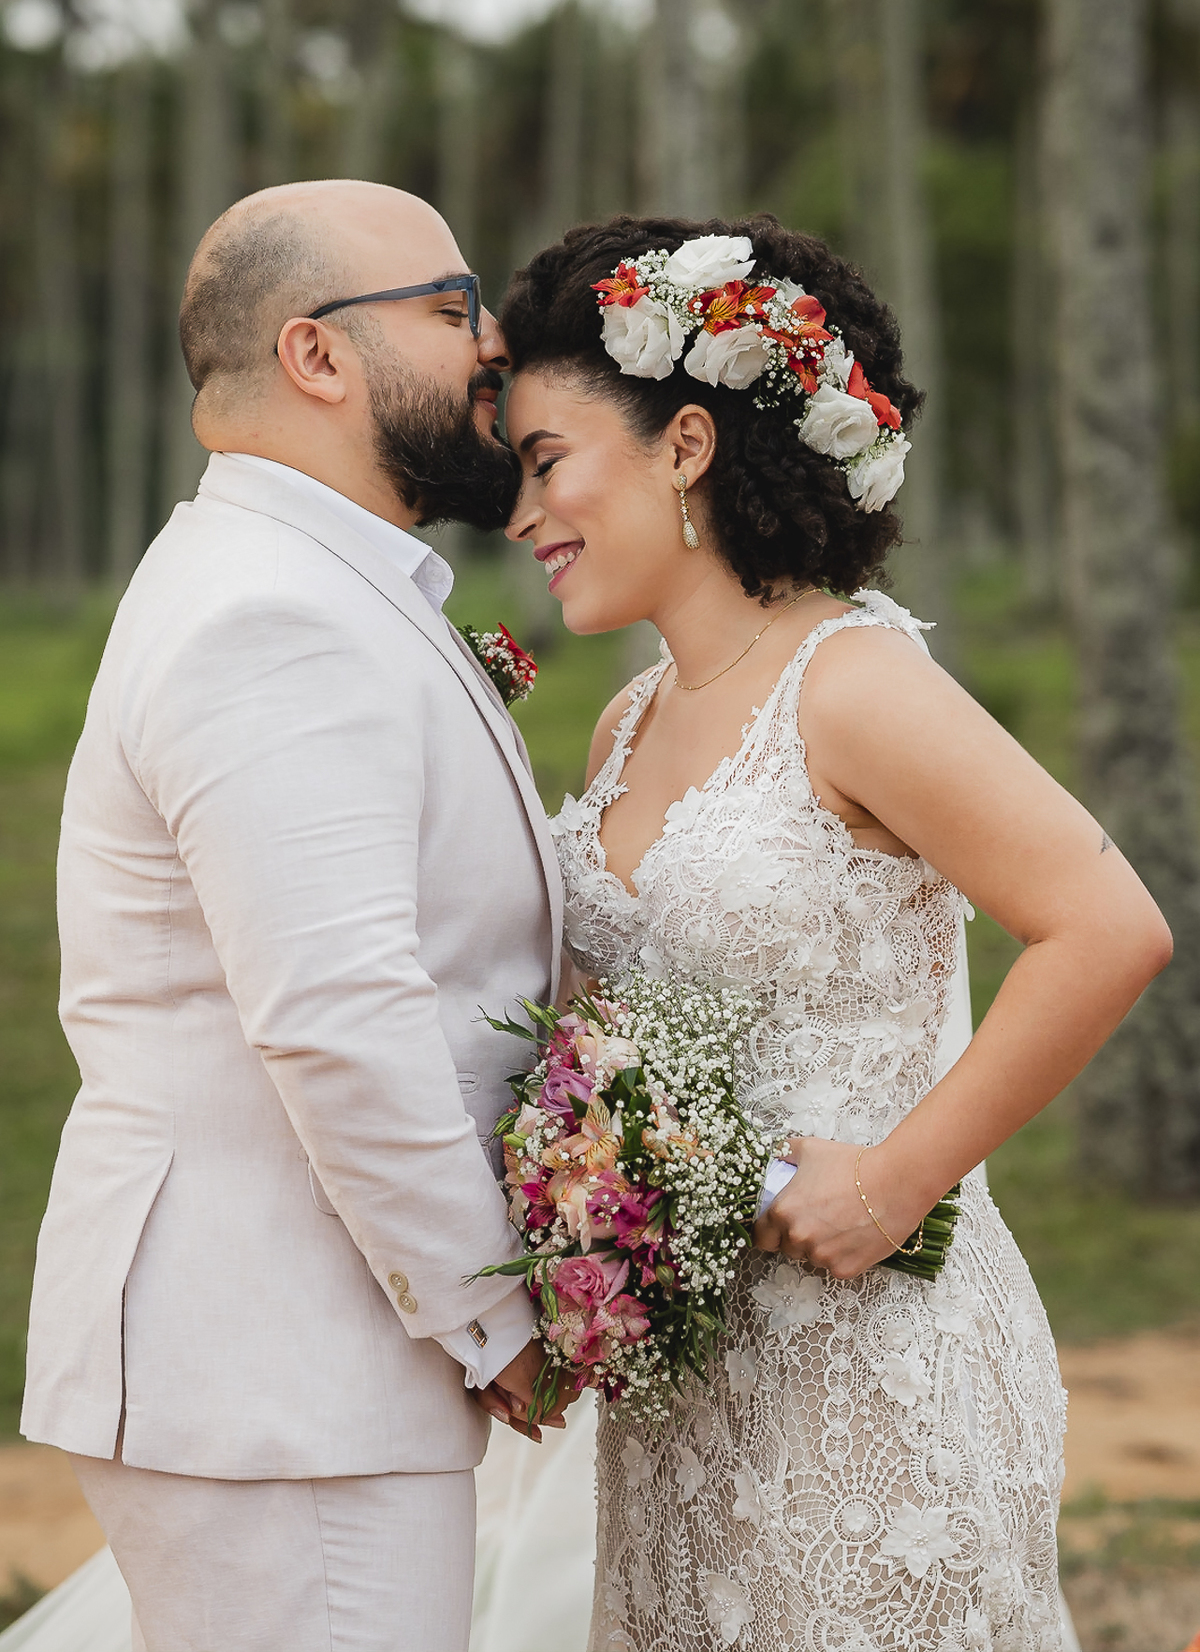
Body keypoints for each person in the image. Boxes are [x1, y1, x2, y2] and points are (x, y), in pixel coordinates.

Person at [502, 213, 1172, 1652]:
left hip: (872, 1376)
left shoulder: (854, 680)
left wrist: (898, 1179)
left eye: (547, 460)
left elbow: (1108, 925)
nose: (521, 513)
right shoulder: (626, 720)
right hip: (685, 1398)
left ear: (685, 446)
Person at [21, 179, 563, 1652]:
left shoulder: (305, 580)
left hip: (290, 1373)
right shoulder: (273, 614)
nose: (495, 342)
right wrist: (496, 1316)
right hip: (280, 1375)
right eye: (453, 310)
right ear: (318, 355)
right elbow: (338, 1016)